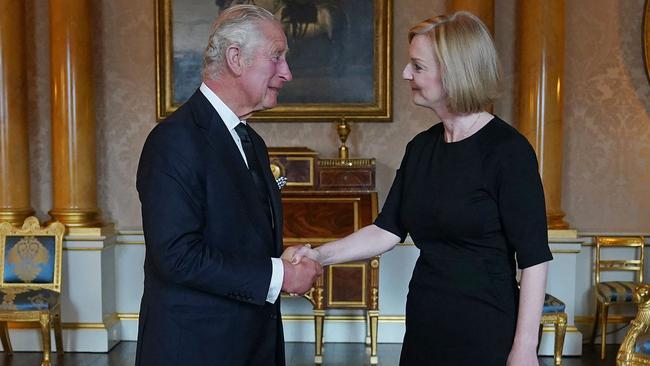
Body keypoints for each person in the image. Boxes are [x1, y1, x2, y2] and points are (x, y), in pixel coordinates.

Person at [291, 11, 553, 366]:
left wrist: (524, 348)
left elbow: (534, 257)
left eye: (417, 66)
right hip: (426, 323)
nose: (405, 74)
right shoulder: (421, 148)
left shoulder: (508, 152)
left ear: (453, 71)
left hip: (486, 327)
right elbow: (386, 230)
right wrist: (319, 256)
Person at [135, 5, 322, 366]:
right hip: (195, 350)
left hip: (251, 345)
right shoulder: (174, 141)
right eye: (277, 57)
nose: (287, 73)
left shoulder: (251, 140)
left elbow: (237, 237)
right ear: (236, 59)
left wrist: (278, 259)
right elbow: (176, 256)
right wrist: (279, 274)